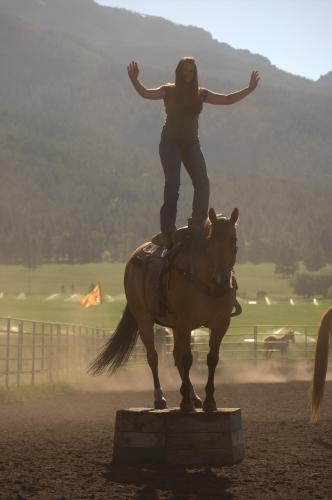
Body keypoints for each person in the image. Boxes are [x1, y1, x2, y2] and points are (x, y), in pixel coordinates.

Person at [127, 56, 260, 248]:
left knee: (202, 181)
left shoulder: (201, 94)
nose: (188, 74)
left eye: (191, 71)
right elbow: (146, 93)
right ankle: (167, 232)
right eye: (185, 70)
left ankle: (198, 225)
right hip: (170, 143)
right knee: (173, 185)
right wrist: (135, 80)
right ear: (179, 72)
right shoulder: (168, 91)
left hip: (190, 143)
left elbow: (228, 99)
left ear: (195, 74)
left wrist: (249, 89)